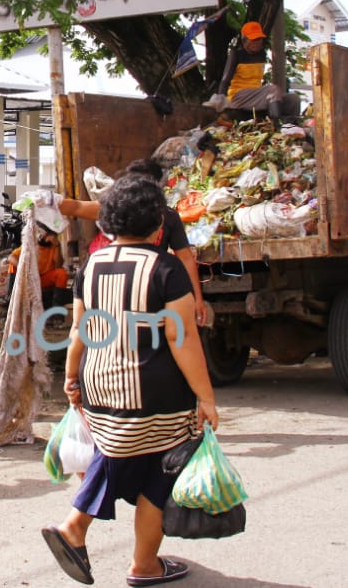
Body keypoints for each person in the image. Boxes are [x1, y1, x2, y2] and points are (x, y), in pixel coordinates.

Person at [41, 175, 218, 587]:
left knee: (123, 455)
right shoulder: (166, 268)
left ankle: (83, 531)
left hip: (99, 389)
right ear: (158, 224)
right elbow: (181, 335)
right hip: (156, 393)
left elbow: (80, 330)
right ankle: (140, 563)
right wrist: (205, 397)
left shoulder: (90, 267)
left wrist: (71, 379)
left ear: (109, 222)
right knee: (158, 474)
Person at [32, 160, 212, 328]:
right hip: (131, 287)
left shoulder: (92, 267)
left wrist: (197, 298)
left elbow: (186, 258)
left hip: (149, 288)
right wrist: (51, 201)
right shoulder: (118, 210)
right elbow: (78, 207)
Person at [204, 20, 301, 122]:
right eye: (253, 39)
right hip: (239, 97)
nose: (257, 42)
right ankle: (277, 123)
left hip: (256, 96)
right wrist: (220, 98)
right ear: (244, 40)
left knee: (293, 99)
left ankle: (292, 127)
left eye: (259, 39)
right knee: (273, 90)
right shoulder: (236, 55)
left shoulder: (262, 55)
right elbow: (225, 80)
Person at [7, 222, 69, 300]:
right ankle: (10, 296)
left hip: (43, 279)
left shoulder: (54, 246)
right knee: (12, 266)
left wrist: (57, 245)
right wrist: (24, 267)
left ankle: (57, 303)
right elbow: (11, 257)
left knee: (62, 273)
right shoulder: (31, 245)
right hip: (29, 279)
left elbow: (58, 266)